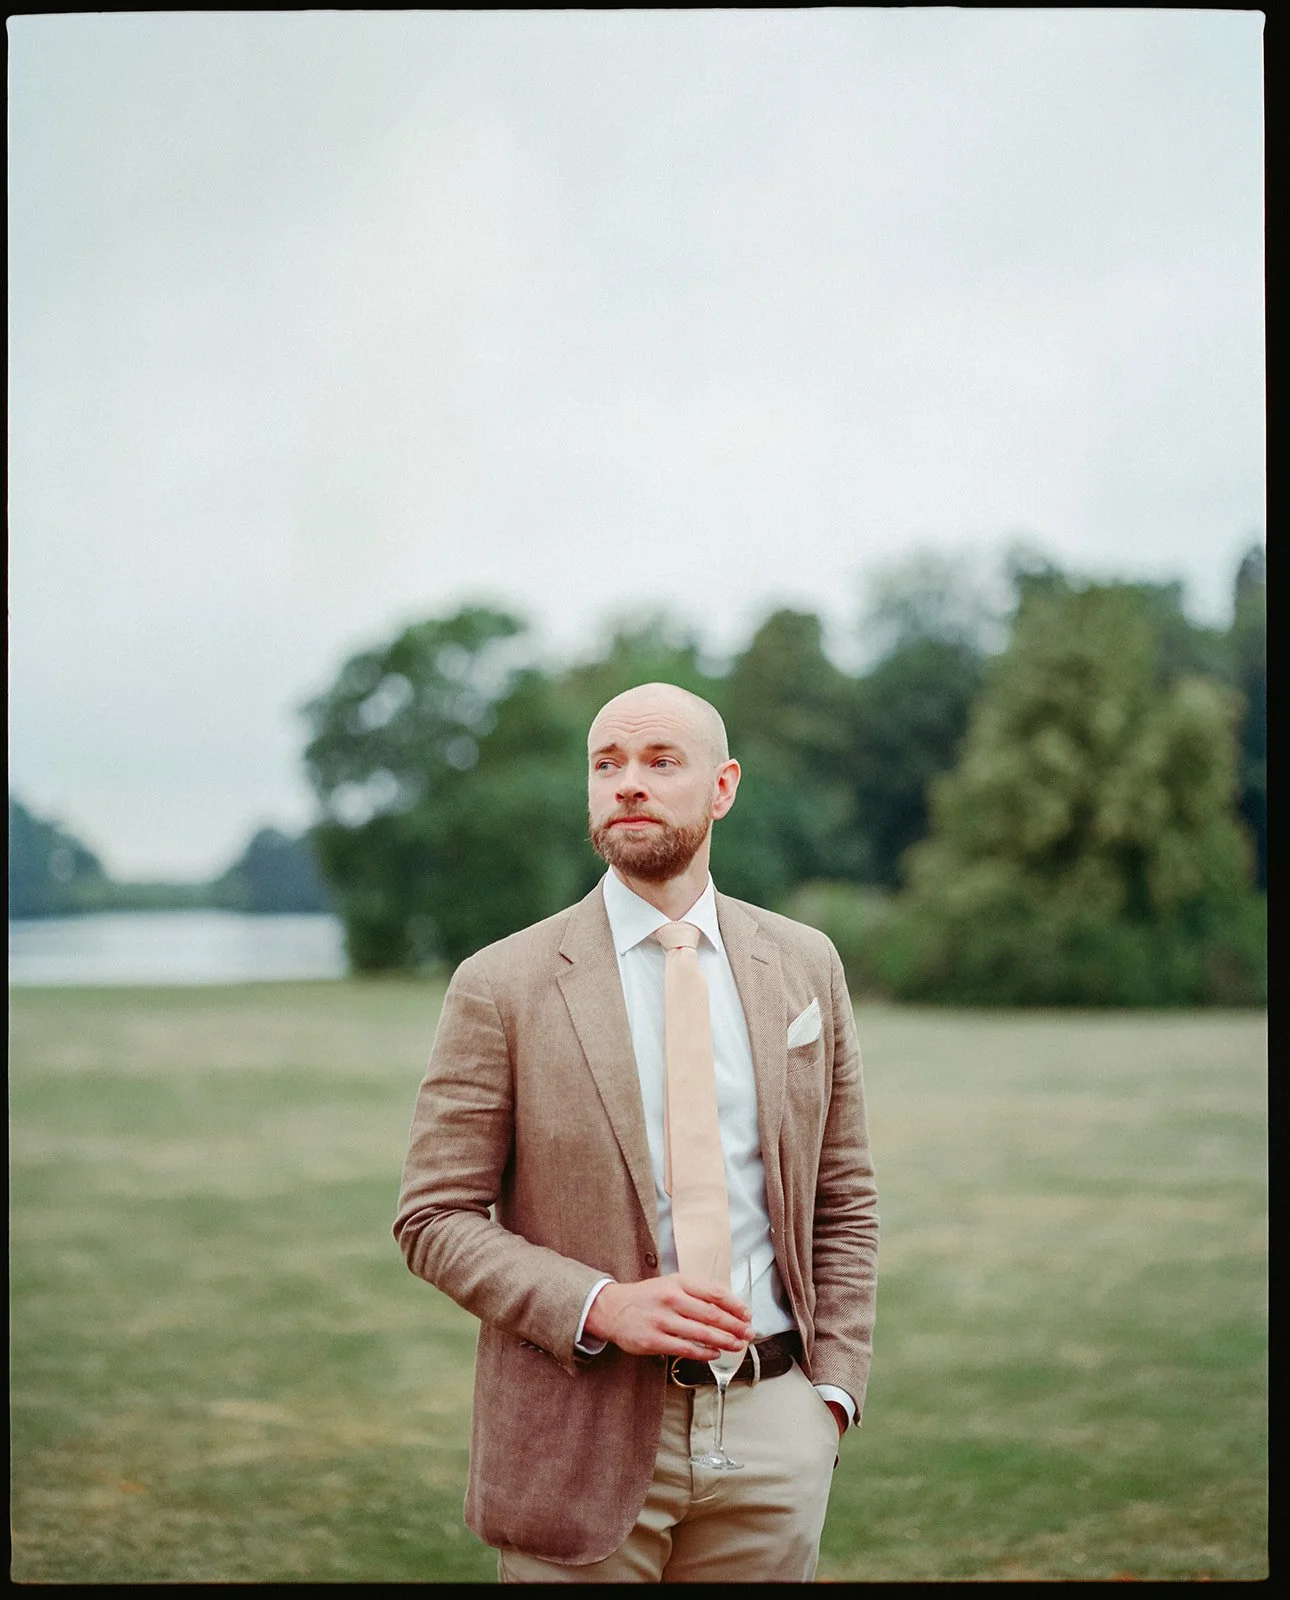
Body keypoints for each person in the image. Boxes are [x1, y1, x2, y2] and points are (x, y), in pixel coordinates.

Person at [393, 681, 879, 1582]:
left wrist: (833, 1394)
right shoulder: (500, 984)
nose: (627, 783)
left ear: (722, 788)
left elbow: (843, 1197)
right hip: (578, 1432)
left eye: (660, 762)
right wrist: (601, 1305)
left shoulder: (805, 963)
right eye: (606, 764)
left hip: (776, 1432)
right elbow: (433, 1218)